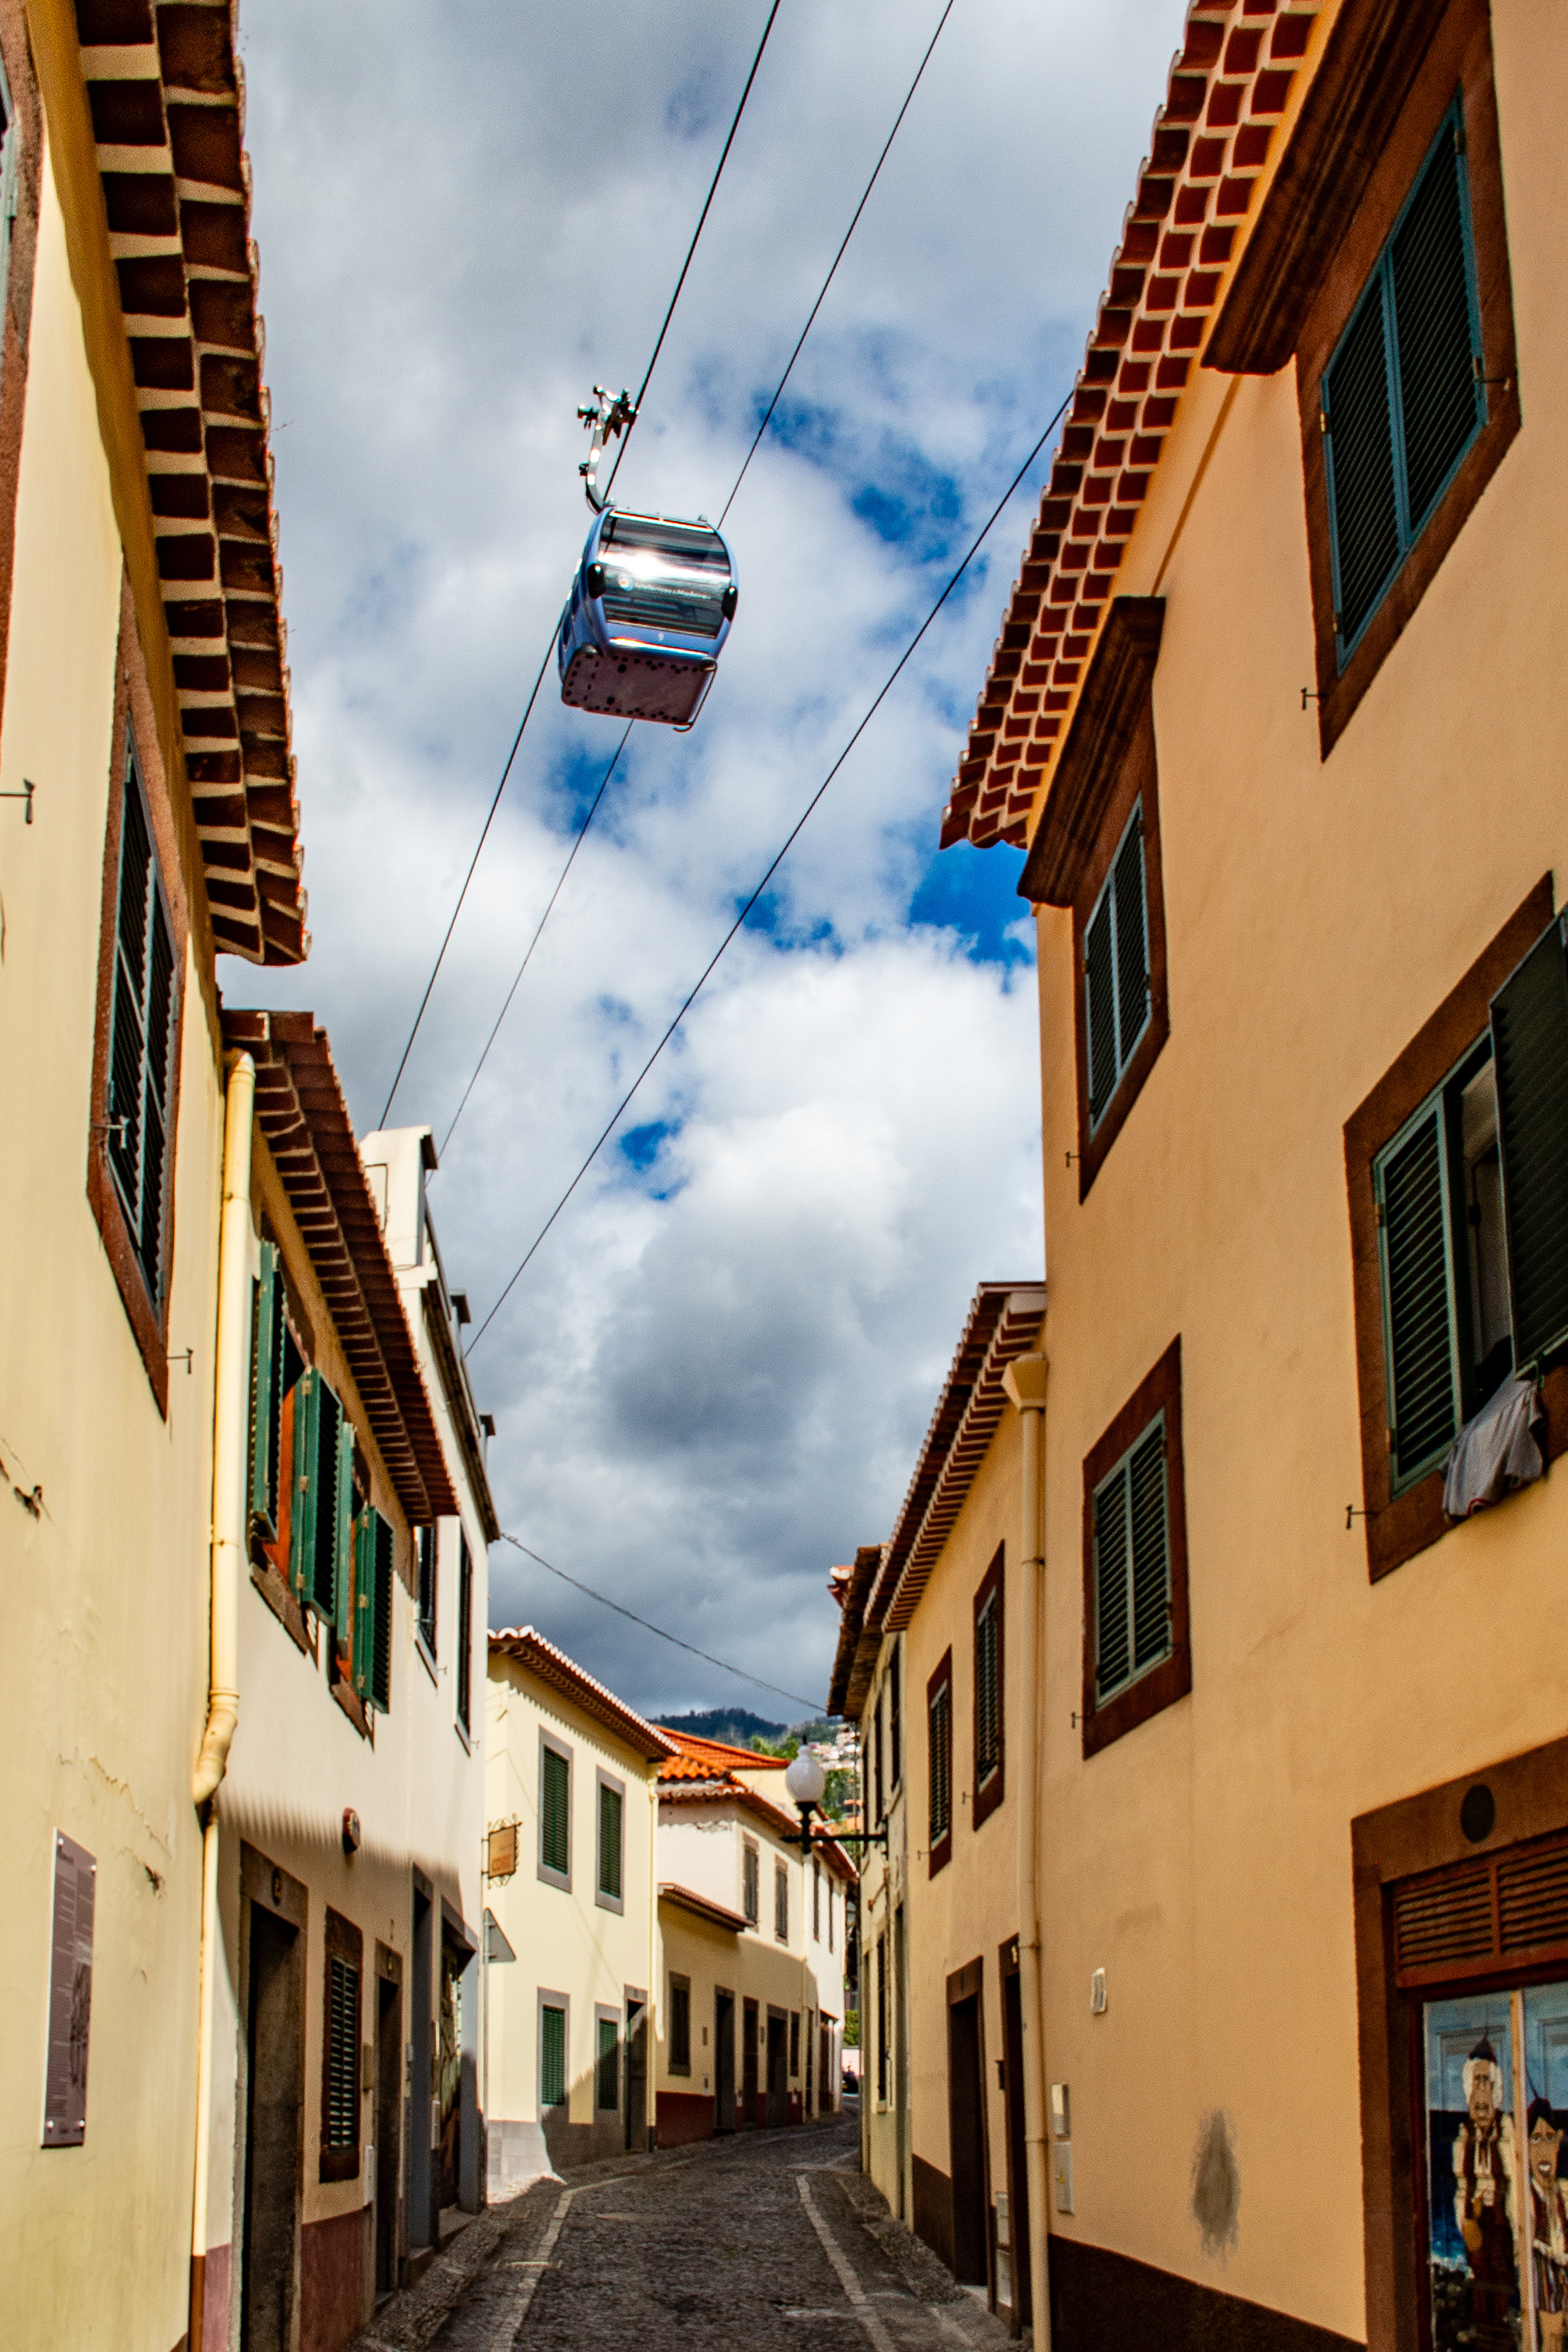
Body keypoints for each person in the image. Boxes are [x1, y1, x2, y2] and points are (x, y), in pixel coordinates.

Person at [1454, 2036, 1518, 2344]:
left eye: (1487, 2081)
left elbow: (1515, 2183)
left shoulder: (1506, 2133)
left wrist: (1518, 2233)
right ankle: (1483, 2333)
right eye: (1476, 2080)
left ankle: (1500, 2331)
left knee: (1501, 2276)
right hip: (1476, 2221)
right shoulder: (1464, 2137)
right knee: (1480, 2278)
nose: (1481, 2091)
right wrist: (1464, 2224)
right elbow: (1462, 2186)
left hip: (1501, 2221)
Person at [1527, 2097, 1568, 2345]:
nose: (1544, 2148)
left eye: (1550, 2138)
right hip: (1545, 2287)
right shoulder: (1525, 2198)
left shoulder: (1564, 2191)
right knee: (1552, 2342)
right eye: (1536, 2138)